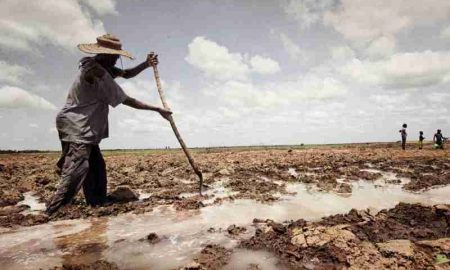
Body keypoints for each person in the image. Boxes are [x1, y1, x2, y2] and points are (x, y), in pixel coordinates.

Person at [46, 34, 172, 215]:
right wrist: (157, 109)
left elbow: (127, 74)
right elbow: (126, 99)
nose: (116, 59)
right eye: (114, 56)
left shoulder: (100, 66)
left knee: (96, 167)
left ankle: (96, 202)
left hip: (81, 125)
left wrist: (146, 64)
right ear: (103, 54)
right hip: (77, 124)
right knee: (77, 168)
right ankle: (54, 210)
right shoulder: (97, 73)